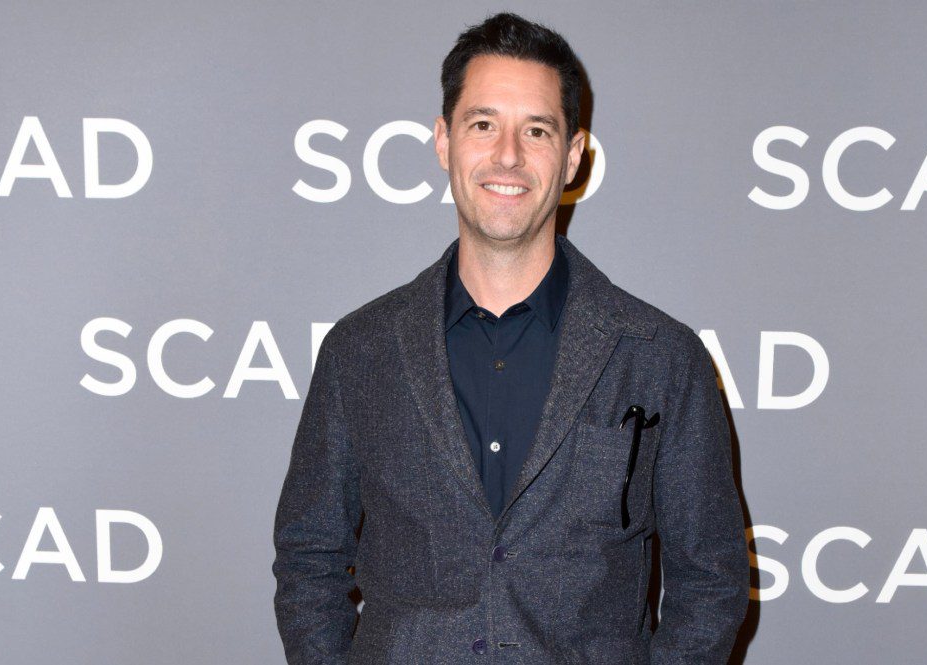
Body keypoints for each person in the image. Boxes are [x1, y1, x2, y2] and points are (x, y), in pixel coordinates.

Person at [273, 12, 749, 664]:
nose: (507, 155)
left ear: (573, 156)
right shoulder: (360, 351)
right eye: (483, 124)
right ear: (444, 141)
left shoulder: (659, 356)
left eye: (536, 130)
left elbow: (711, 580)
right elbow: (309, 557)